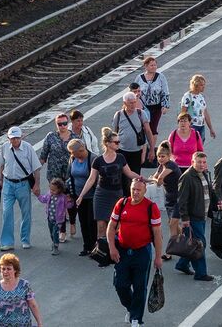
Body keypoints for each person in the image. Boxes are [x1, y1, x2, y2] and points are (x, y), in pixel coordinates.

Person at [107, 177, 163, 327]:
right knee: (120, 284)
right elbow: (111, 227)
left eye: (139, 190)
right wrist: (112, 247)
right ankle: (131, 308)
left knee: (140, 286)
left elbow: (157, 233)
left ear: (145, 191)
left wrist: (158, 256)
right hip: (123, 251)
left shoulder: (151, 207)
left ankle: (137, 318)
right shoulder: (122, 203)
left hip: (142, 252)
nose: (136, 192)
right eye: (133, 189)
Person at [79, 127, 135, 257]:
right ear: (108, 144)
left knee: (116, 226)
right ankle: (101, 253)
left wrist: (143, 179)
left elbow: (129, 173)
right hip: (101, 195)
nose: (118, 144)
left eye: (118, 142)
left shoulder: (121, 157)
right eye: (116, 142)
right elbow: (91, 179)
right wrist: (81, 195)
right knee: (101, 226)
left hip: (116, 195)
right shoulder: (98, 160)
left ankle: (115, 251)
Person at [0, 126, 42, 252]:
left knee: (26, 212)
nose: (15, 141)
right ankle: (7, 242)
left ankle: (25, 239)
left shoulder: (28, 148)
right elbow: (1, 165)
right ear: (8, 138)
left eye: (17, 138)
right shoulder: (5, 147)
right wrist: (0, 180)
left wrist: (36, 185)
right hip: (8, 184)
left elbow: (36, 168)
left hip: (23, 184)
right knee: (7, 213)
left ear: (21, 137)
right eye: (12, 138)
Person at [174, 152, 215, 281]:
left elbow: (209, 190)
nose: (202, 165)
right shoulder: (187, 177)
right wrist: (185, 218)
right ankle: (201, 273)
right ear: (192, 162)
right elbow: (182, 200)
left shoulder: (203, 173)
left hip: (202, 215)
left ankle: (182, 264)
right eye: (199, 162)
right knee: (199, 244)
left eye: (204, 162)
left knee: (193, 243)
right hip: (193, 218)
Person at [0, 253, 41, 327]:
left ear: (15, 270)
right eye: (3, 269)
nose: (5, 271)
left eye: (8, 269)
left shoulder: (24, 285)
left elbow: (33, 305)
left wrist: (39, 323)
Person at [111, 91, 155, 174]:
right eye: (130, 103)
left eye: (134, 102)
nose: (133, 105)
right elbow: (114, 133)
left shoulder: (141, 113)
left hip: (137, 151)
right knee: (122, 176)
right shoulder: (119, 115)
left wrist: (152, 149)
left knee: (135, 175)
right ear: (125, 103)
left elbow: (148, 132)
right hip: (121, 151)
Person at [150, 142, 183, 249]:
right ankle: (184, 240)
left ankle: (170, 250)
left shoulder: (171, 165)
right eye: (159, 156)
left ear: (169, 156)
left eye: (163, 156)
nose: (160, 158)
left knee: (172, 224)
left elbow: (159, 180)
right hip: (169, 199)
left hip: (179, 198)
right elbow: (155, 177)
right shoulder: (161, 166)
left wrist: (154, 179)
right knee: (173, 223)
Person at [64, 139, 94, 254]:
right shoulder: (73, 159)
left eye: (73, 153)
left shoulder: (92, 159)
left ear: (80, 151)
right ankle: (86, 246)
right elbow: (69, 175)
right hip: (77, 195)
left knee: (91, 222)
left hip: (92, 195)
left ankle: (94, 246)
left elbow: (94, 178)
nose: (71, 155)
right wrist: (69, 193)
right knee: (83, 221)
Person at [137, 56, 171, 136]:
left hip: (156, 107)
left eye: (155, 65)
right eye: (151, 65)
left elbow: (165, 92)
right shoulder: (139, 78)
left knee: (153, 128)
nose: (154, 67)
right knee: (143, 127)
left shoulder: (161, 77)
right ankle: (145, 146)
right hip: (143, 107)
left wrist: (165, 106)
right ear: (146, 66)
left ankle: (151, 147)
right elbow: (134, 91)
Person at [38, 178, 71, 255]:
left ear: (59, 189)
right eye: (51, 189)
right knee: (51, 233)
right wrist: (38, 195)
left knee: (55, 232)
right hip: (50, 218)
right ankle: (54, 243)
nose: (51, 191)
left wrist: (71, 201)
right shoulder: (49, 195)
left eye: (54, 190)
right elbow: (44, 199)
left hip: (58, 220)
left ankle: (56, 246)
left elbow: (68, 205)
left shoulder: (63, 197)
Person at [180, 75, 215, 142]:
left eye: (204, 85)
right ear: (195, 86)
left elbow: (205, 113)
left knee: (200, 147)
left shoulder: (201, 97)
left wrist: (211, 128)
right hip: (192, 126)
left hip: (201, 125)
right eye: (201, 85)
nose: (203, 87)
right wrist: (184, 127)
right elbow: (183, 113)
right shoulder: (187, 96)